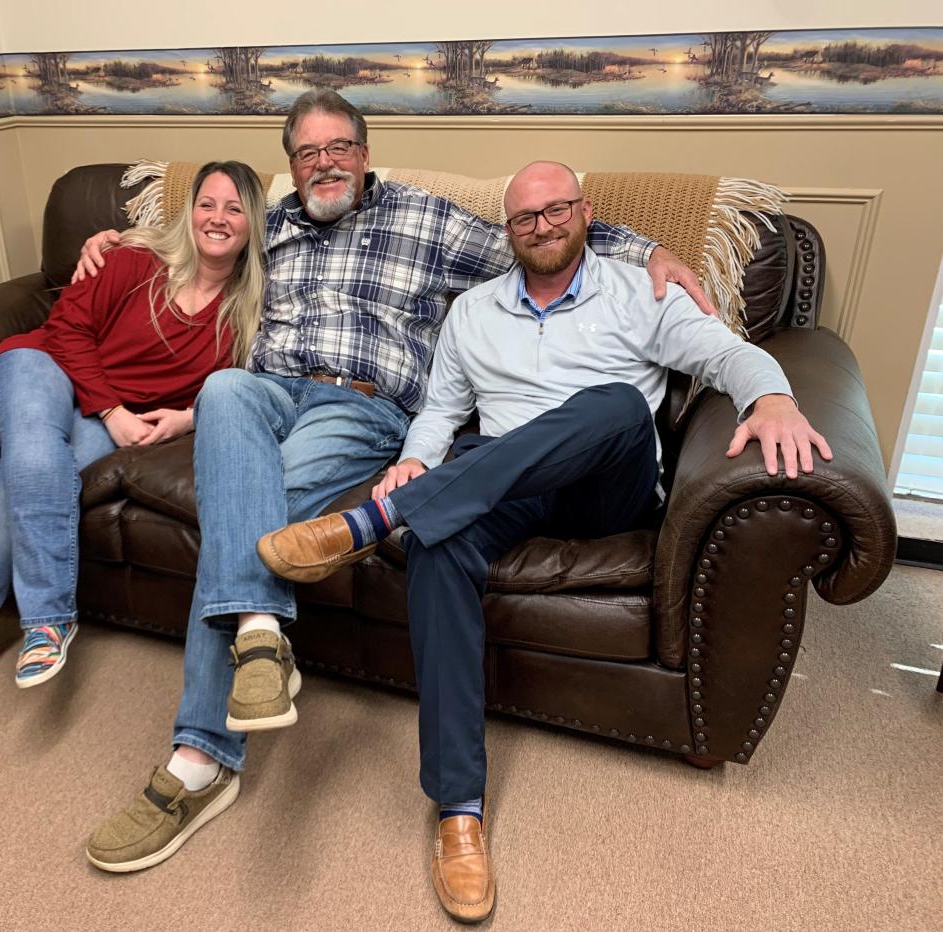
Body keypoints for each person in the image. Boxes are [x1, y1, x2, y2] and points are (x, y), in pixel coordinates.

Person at [77, 91, 715, 875]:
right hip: (267, 390)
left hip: (360, 405)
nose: (326, 164)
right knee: (221, 393)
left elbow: (541, 239)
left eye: (339, 147)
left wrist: (648, 250)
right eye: (308, 154)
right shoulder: (270, 225)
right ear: (291, 168)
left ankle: (198, 761)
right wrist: (113, 238)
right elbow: (196, 236)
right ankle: (260, 636)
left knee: (247, 513)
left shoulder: (428, 219)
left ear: (365, 152)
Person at [257, 160, 831, 922]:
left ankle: (367, 524)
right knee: (440, 542)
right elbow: (439, 409)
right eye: (526, 218)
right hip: (503, 486)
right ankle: (459, 811)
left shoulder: (639, 292)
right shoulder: (473, 312)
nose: (543, 227)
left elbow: (727, 353)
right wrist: (414, 460)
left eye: (557, 210)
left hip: (605, 490)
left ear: (584, 212)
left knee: (617, 405)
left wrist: (774, 397)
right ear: (509, 231)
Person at [0, 161, 266, 721]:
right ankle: (47, 620)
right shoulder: (133, 259)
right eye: (207, 203)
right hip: (36, 371)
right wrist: (112, 409)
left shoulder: (248, 315)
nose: (217, 218)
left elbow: (249, 391)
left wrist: (185, 417)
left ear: (253, 224)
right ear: (189, 211)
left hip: (98, 419)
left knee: (30, 476)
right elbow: (65, 330)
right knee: (35, 449)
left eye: (234, 208)